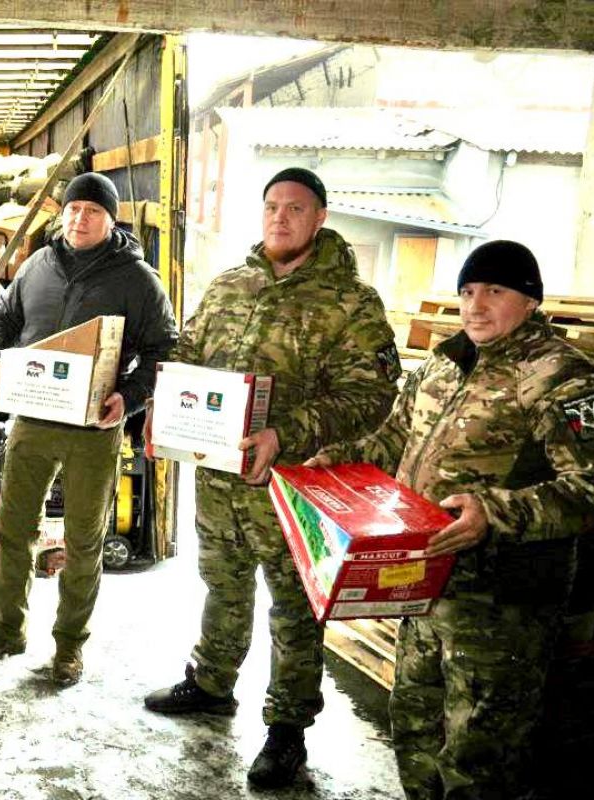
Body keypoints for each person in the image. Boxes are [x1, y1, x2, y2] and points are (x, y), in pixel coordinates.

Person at [306, 240, 594, 800]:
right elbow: (397, 437)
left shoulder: (560, 375)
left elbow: (588, 486)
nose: (475, 305)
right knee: (414, 723)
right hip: (424, 582)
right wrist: (345, 458)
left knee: (479, 753)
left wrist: (495, 511)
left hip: (502, 600)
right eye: (467, 291)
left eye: (494, 291)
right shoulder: (447, 359)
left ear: (530, 301)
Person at [142, 167, 401, 788]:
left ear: (319, 219)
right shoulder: (229, 286)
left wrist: (289, 433)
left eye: (295, 208)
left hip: (294, 485)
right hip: (221, 479)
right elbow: (188, 354)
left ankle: (287, 731)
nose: (280, 218)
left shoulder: (351, 303)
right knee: (222, 585)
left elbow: (373, 393)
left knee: (293, 609)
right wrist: (163, 407)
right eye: (271, 207)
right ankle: (211, 683)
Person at [0, 172, 179, 687]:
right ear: (63, 213)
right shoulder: (38, 263)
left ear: (111, 219)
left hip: (91, 427)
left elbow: (164, 348)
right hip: (33, 419)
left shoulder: (136, 280)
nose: (80, 219)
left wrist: (129, 397)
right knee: (13, 530)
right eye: (74, 209)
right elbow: (2, 319)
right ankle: (6, 628)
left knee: (84, 539)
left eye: (93, 211)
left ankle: (68, 646)